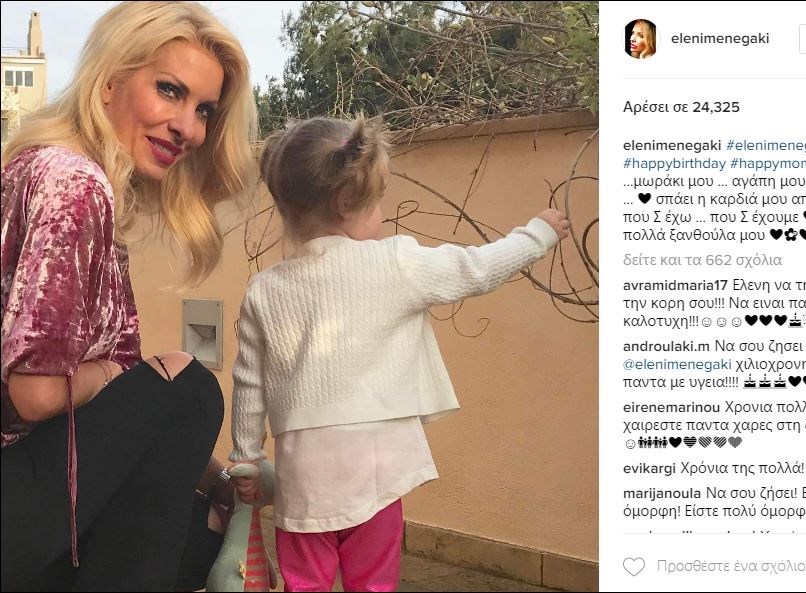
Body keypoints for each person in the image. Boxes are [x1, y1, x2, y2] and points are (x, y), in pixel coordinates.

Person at [228, 115, 570, 592]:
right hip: (379, 467)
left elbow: (249, 382)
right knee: (374, 582)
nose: (383, 214)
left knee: (305, 582)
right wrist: (537, 235)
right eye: (378, 200)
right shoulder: (395, 262)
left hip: (303, 474)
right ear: (347, 201)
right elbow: (476, 268)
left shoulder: (264, 289)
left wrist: (245, 459)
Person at [0, 2, 257, 590]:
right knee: (189, 389)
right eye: (169, 90)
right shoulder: (76, 183)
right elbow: (38, 394)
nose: (189, 128)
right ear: (109, 81)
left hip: (28, 483)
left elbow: (110, 415)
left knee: (199, 534)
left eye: (204, 110)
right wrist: (117, 373)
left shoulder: (37, 169)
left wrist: (219, 482)